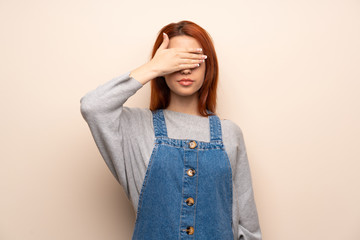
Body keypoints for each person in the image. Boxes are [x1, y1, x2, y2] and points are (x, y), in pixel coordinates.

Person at [80, 20, 262, 240]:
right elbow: (92, 106)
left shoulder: (229, 133)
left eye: (194, 59)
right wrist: (152, 68)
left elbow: (249, 228)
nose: (185, 68)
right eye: (176, 60)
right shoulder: (134, 127)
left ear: (208, 67)